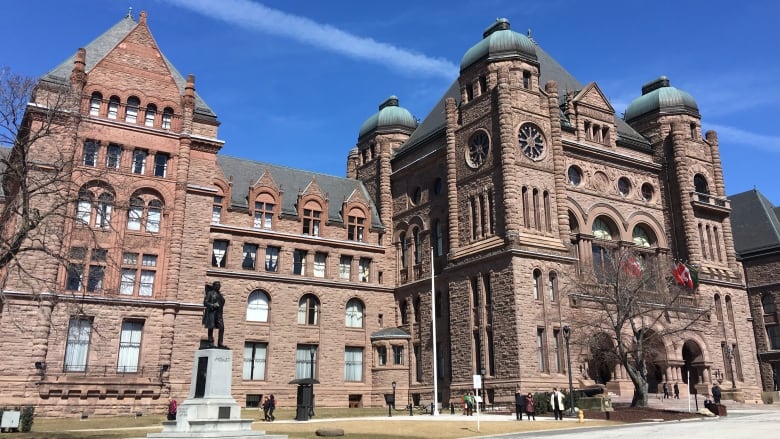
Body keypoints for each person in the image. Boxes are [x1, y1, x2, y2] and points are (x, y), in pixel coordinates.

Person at [202, 281, 226, 348]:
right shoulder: (210, 293)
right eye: (217, 285)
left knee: (222, 328)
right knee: (211, 327)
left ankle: (220, 343)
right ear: (214, 286)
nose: (218, 287)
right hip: (212, 313)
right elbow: (205, 302)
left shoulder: (220, 295)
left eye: (219, 285)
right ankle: (210, 342)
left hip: (219, 313)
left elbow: (222, 302)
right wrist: (212, 305)